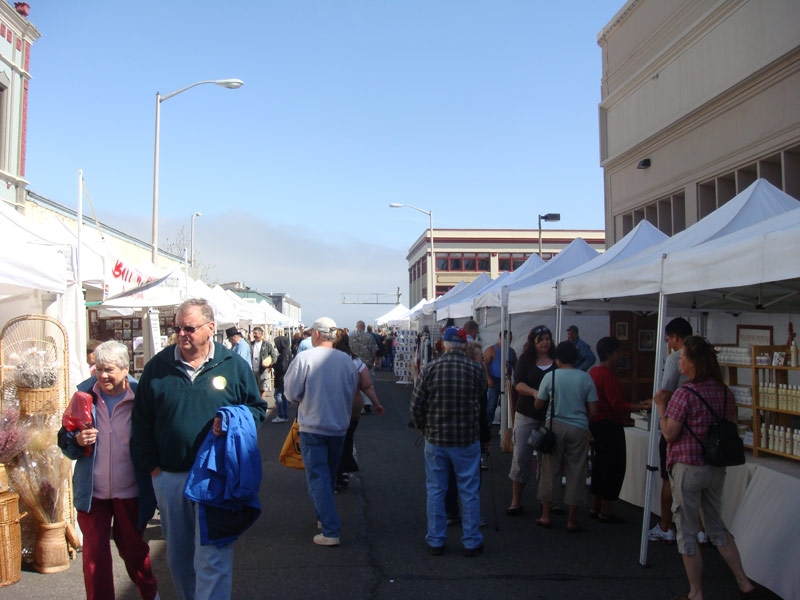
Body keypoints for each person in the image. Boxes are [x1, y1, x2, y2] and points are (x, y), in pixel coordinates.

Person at [132, 299, 267, 600]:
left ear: (210, 328)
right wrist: (153, 467)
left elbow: (257, 409)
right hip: (170, 476)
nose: (182, 334)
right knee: (179, 558)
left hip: (216, 478)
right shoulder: (158, 367)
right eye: (177, 328)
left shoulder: (233, 366)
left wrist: (233, 421)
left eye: (189, 328)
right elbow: (140, 421)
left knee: (213, 557)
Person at [654, 336, 755, 599]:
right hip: (715, 466)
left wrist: (662, 408)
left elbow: (670, 433)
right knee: (716, 526)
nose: (681, 363)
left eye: (683, 358)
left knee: (686, 530)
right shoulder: (725, 392)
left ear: (692, 362)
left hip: (688, 466)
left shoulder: (684, 394)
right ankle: (743, 581)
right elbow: (732, 426)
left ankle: (695, 592)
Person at [58, 341, 158, 600]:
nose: (103, 375)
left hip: (130, 491)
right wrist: (76, 441)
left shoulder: (141, 397)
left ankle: (150, 593)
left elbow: (155, 438)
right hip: (93, 492)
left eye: (109, 369)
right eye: (99, 368)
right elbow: (65, 439)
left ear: (126, 370)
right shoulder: (83, 395)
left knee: (133, 551)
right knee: (94, 556)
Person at [410, 326, 488, 557]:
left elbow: (416, 406)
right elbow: (481, 397)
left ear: (443, 344)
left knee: (435, 489)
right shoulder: (476, 369)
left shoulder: (430, 368)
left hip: (436, 438)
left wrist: (423, 428)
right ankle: (471, 540)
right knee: (469, 490)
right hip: (466, 439)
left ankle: (436, 540)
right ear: (464, 345)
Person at [283, 317, 358, 547]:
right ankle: (322, 517)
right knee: (329, 475)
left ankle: (330, 527)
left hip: (312, 425)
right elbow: (352, 388)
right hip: (339, 426)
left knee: (318, 478)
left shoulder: (305, 358)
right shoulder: (347, 360)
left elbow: (292, 393)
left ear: (316, 334)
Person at [534, 341, 598, 533]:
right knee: (576, 471)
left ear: (557, 359)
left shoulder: (550, 376)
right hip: (578, 427)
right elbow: (594, 410)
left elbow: (539, 404)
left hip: (554, 426)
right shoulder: (585, 378)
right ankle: (572, 519)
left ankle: (546, 515)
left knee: (549, 469)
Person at [589, 337, 651, 522]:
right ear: (609, 354)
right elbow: (617, 404)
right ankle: (606, 508)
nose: (621, 356)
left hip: (598, 424)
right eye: (618, 352)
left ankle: (596, 504)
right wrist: (641, 406)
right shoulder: (607, 375)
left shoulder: (594, 372)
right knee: (613, 466)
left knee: (600, 465)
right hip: (609, 425)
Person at [649, 317, 693, 545]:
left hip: (676, 423)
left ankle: (666, 525)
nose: (666, 340)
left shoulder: (677, 357)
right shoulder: (706, 356)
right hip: (699, 427)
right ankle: (701, 530)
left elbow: (665, 391)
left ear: (676, 337)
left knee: (668, 477)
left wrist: (658, 405)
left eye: (668, 336)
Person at [507, 325, 556, 516]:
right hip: (527, 414)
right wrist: (536, 392)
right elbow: (518, 384)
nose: (545, 342)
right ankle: (516, 500)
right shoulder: (526, 360)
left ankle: (546, 501)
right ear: (533, 343)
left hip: (549, 416)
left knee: (548, 460)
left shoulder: (555, 361)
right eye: (541, 339)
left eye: (547, 338)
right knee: (521, 457)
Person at [332, 330, 385, 490]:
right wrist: (376, 403)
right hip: (353, 406)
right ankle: (345, 471)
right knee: (347, 438)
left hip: (333, 406)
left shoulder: (327, 360)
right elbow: (367, 384)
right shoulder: (355, 361)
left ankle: (337, 473)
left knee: (333, 441)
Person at [483, 330, 518, 425]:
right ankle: (488, 427)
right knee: (491, 405)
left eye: (510, 339)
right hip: (494, 380)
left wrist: (516, 381)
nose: (508, 341)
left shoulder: (511, 351)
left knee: (506, 406)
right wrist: (488, 379)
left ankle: (504, 427)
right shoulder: (492, 350)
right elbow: (484, 364)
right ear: (501, 338)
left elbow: (516, 366)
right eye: (506, 339)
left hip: (507, 380)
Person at [270, 335, 293, 423]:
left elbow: (282, 367)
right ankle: (285, 415)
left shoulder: (284, 353)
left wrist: (274, 366)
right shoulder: (287, 352)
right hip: (285, 377)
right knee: (284, 397)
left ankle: (281, 414)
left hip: (281, 378)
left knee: (278, 395)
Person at [251, 327, 277, 398]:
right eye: (254, 333)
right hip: (253, 370)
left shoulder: (266, 344)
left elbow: (274, 356)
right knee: (254, 389)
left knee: (262, 389)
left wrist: (270, 366)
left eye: (256, 333)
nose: (254, 335)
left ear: (260, 334)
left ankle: (262, 407)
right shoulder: (251, 344)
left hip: (262, 371)